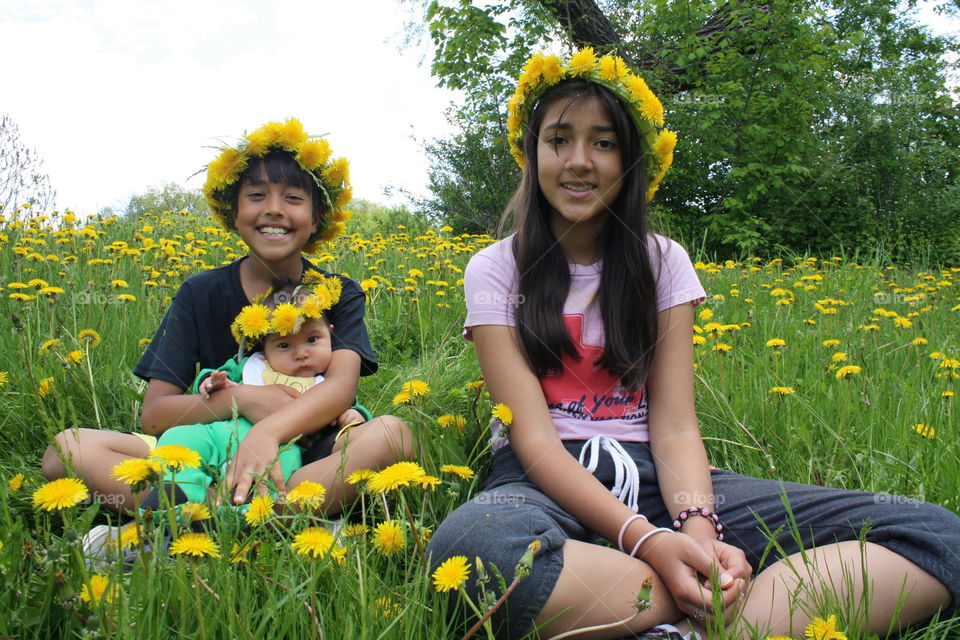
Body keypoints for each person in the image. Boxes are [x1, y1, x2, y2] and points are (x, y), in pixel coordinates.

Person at [426, 50, 959, 639]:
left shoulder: (663, 262)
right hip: (539, 482)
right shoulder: (496, 268)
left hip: (665, 480)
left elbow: (676, 424)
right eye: (559, 139)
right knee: (476, 550)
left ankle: (686, 614)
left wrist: (698, 531)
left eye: (603, 143)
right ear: (532, 153)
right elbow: (532, 437)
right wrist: (650, 542)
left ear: (631, 160)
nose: (580, 161)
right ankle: (703, 605)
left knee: (938, 534)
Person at [43, 118, 412, 517]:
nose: (273, 209)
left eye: (292, 197)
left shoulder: (337, 292)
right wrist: (246, 400)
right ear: (233, 214)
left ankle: (197, 514)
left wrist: (267, 434)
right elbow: (155, 416)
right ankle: (246, 513)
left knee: (393, 435)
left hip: (305, 453)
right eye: (256, 195)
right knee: (68, 448)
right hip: (203, 448)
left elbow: (340, 389)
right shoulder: (199, 293)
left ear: (317, 217)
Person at [147, 273, 370, 506]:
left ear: (331, 334)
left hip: (279, 448)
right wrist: (212, 383)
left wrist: (355, 416)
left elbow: (348, 407)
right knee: (178, 437)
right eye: (284, 345)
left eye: (312, 340)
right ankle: (178, 493)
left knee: (283, 464)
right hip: (220, 435)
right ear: (265, 345)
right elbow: (215, 377)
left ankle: (250, 511)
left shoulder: (325, 383)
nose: (301, 353)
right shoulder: (250, 365)